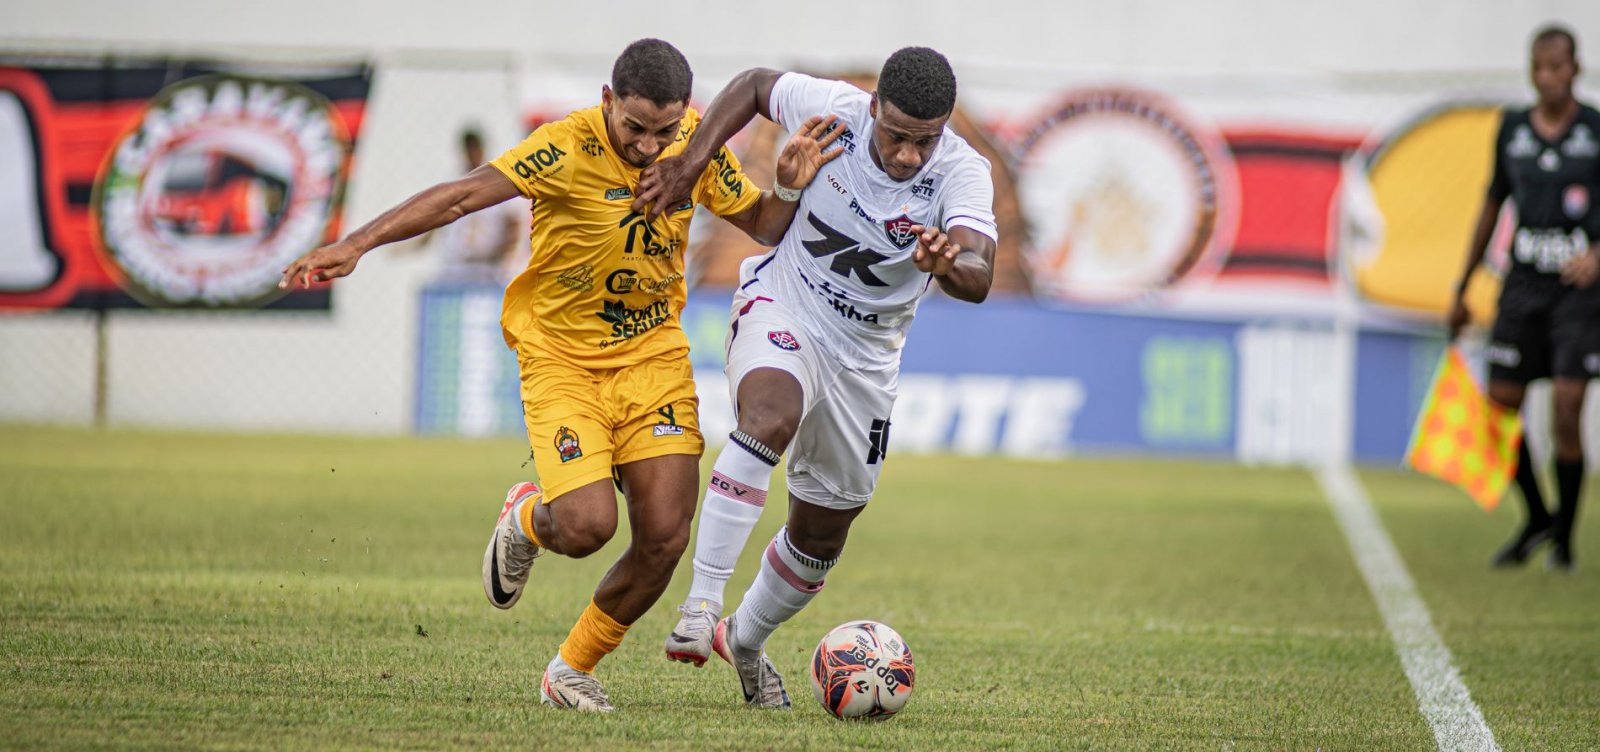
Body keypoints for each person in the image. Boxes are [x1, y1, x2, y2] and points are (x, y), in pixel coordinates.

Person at [280, 38, 843, 711]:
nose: (647, 145)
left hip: (653, 359)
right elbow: (462, 196)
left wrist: (787, 184)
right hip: (563, 359)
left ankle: (570, 670)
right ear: (608, 102)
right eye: (635, 127)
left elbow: (762, 223)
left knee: (664, 537)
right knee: (584, 527)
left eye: (663, 130)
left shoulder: (694, 146)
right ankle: (527, 521)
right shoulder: (564, 147)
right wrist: (355, 244)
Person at [631, 47, 998, 707]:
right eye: (896, 136)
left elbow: (980, 273)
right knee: (768, 418)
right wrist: (689, 165)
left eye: (926, 140)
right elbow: (750, 85)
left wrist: (950, 264)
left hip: (867, 356)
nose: (910, 155)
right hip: (787, 305)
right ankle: (701, 604)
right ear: (874, 109)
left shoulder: (962, 172)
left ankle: (742, 638)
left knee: (823, 531)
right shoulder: (834, 111)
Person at [1449, 24, 1600, 573]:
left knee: (1566, 406)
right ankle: (1538, 516)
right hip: (1522, 288)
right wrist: (1462, 285)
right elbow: (1491, 206)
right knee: (1500, 410)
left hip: (1578, 296)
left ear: (1575, 69)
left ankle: (1564, 541)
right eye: (1538, 68)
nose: (1547, 78)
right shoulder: (1512, 129)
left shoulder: (1595, 130)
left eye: (1556, 67)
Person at [428, 128, 526, 285]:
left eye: (475, 148)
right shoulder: (454, 180)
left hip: (491, 268)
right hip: (457, 267)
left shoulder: (496, 178)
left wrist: (505, 255)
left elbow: (513, 220)